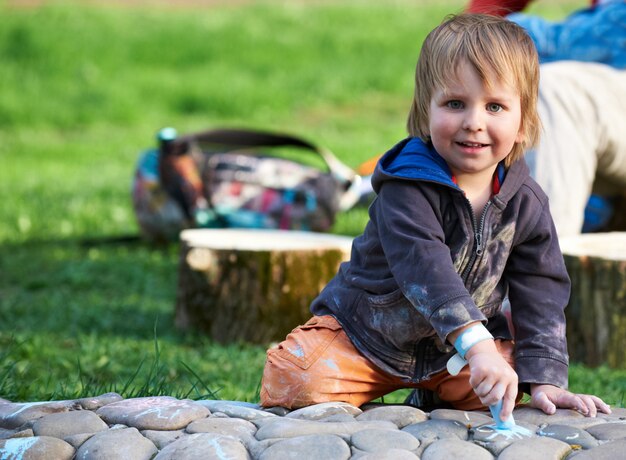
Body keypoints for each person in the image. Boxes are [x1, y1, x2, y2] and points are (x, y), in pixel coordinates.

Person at [259, 14, 611, 421]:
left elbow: (541, 287)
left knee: (511, 385)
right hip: (368, 337)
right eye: (455, 103)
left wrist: (546, 378)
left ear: (523, 122)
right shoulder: (407, 184)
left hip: (451, 357)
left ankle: (434, 394)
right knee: (294, 381)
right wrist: (478, 345)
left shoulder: (525, 201)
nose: (473, 122)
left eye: (495, 106)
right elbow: (424, 268)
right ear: (426, 110)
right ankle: (377, 405)